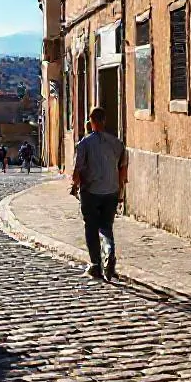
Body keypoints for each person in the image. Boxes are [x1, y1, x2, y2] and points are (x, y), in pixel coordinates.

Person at [71, 107, 128, 280]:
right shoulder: (117, 143)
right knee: (106, 226)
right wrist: (120, 192)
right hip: (111, 191)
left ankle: (96, 264)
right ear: (104, 121)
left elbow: (77, 170)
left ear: (91, 121)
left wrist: (74, 186)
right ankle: (109, 251)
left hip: (91, 191)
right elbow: (123, 170)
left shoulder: (84, 144)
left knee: (91, 226)